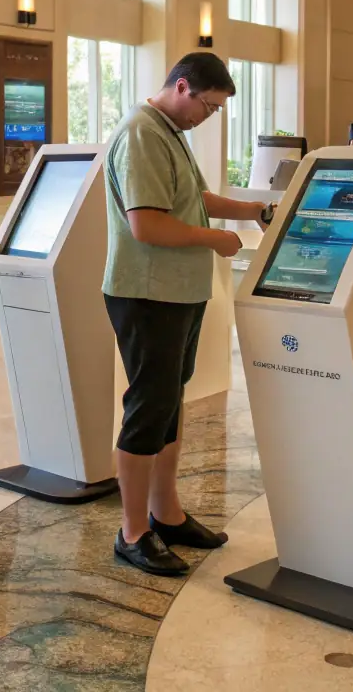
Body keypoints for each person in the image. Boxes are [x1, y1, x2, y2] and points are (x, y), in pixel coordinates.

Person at [103, 52, 272, 577]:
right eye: (209, 106)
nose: (208, 116)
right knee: (148, 408)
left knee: (169, 404)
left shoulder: (170, 131)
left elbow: (193, 199)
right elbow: (147, 225)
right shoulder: (141, 133)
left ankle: (167, 513)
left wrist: (252, 211)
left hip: (177, 294)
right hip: (148, 294)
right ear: (182, 87)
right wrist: (217, 240)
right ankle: (133, 531)